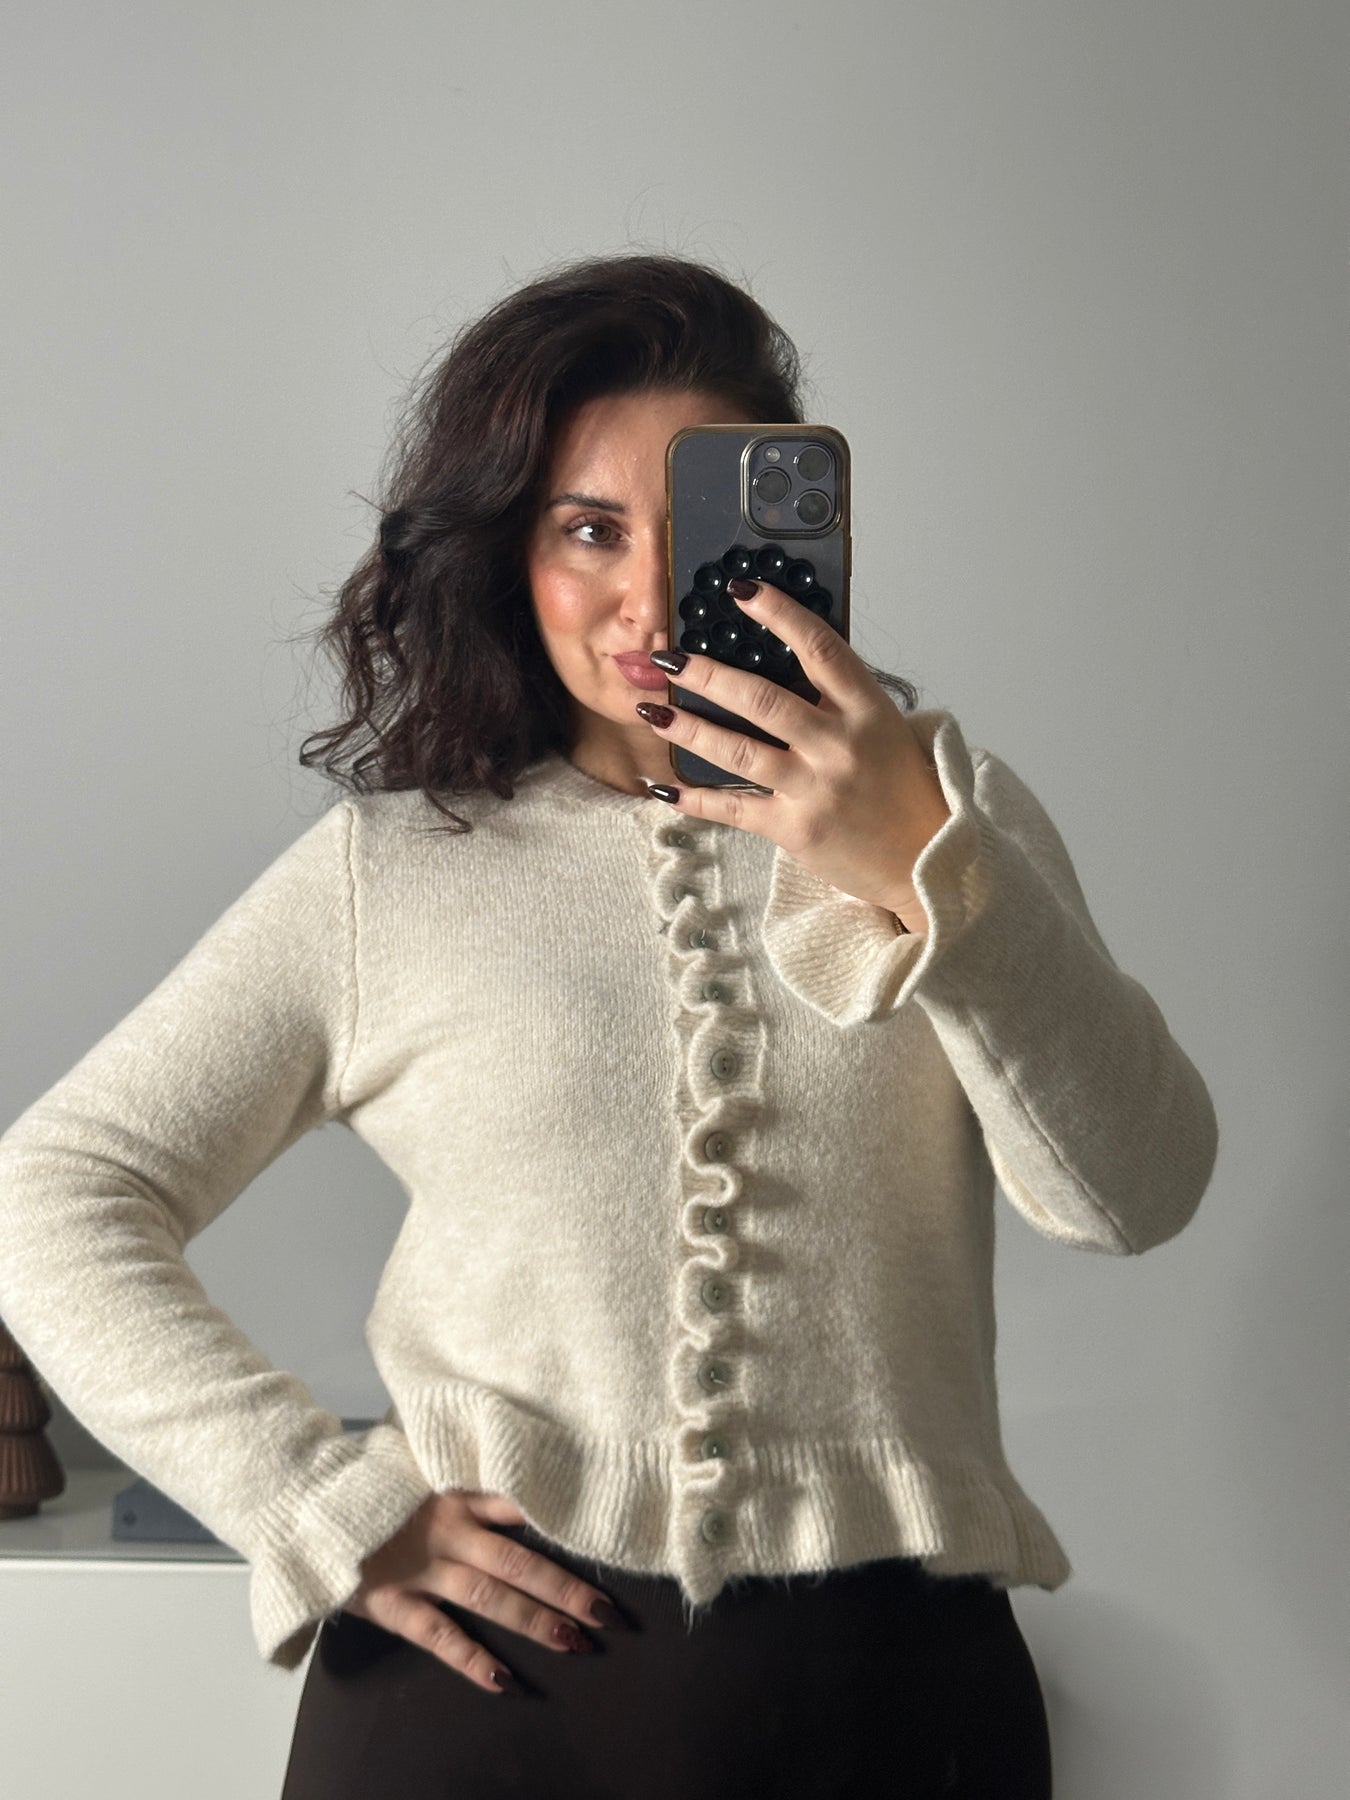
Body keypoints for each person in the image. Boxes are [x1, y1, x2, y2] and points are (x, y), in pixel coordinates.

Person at [0, 253, 1219, 1799]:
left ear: (801, 536)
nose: (649, 597)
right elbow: (54, 1189)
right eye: (588, 529)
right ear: (507, 550)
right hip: (478, 1712)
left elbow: (1134, 1192)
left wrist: (924, 872)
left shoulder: (950, 818)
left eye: (697, 530)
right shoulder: (394, 872)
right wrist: (312, 1502)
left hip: (894, 1710)